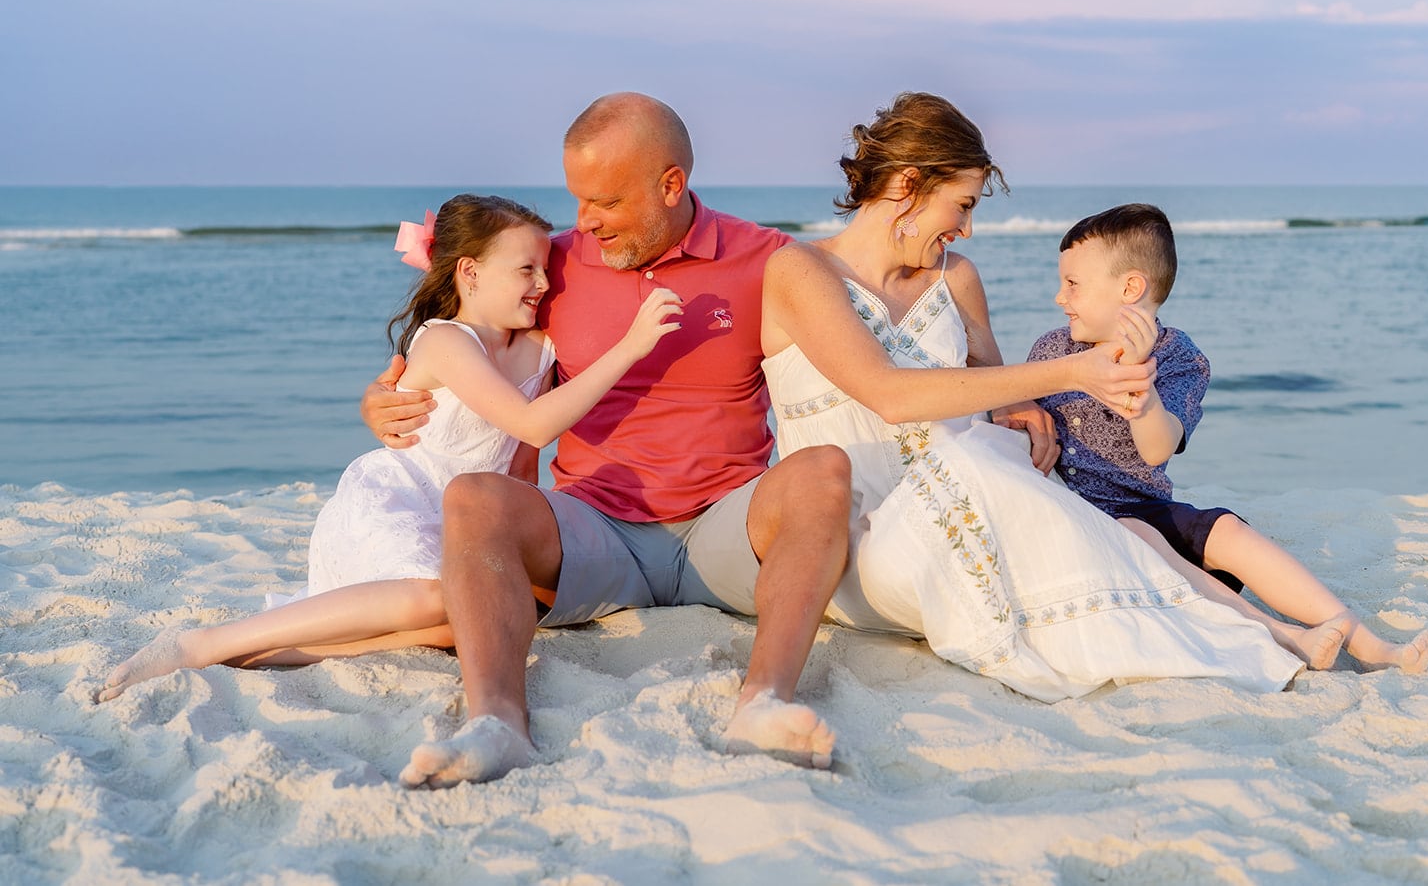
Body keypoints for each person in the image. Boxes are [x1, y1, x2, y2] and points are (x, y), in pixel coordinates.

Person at [365, 93, 959, 786]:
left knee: (824, 470)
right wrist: (377, 400)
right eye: (578, 199)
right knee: (474, 498)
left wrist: (1028, 391)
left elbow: (881, 373)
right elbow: (450, 346)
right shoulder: (551, 265)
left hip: (721, 530)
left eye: (606, 202)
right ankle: (497, 722)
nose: (584, 221)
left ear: (670, 185)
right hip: (596, 530)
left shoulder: (764, 258)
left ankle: (762, 701)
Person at [758, 91, 1317, 701]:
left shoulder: (957, 276)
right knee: (981, 462)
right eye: (963, 204)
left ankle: (1270, 630)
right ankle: (1261, 627)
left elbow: (995, 392)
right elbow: (889, 395)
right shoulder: (799, 272)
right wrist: (1073, 372)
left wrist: (1021, 415)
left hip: (974, 499)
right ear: (909, 184)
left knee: (1011, 466)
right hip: (860, 544)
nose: (966, 228)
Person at [97, 194, 683, 703]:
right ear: (470, 273)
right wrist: (631, 347)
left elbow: (521, 463)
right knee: (441, 598)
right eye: (526, 269)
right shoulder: (447, 341)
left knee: (479, 618)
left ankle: (293, 649)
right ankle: (207, 642)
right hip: (399, 499)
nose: (545, 283)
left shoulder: (541, 348)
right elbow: (531, 424)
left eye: (546, 268)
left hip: (464, 517)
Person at [1027, 202, 1428, 674]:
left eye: (1073, 284)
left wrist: (1139, 383)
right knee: (1133, 532)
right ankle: (1282, 634)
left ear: (1130, 288)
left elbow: (1157, 448)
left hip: (1147, 507)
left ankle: (1367, 643)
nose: (1060, 297)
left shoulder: (1178, 357)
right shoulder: (1052, 350)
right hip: (1080, 521)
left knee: (1229, 531)